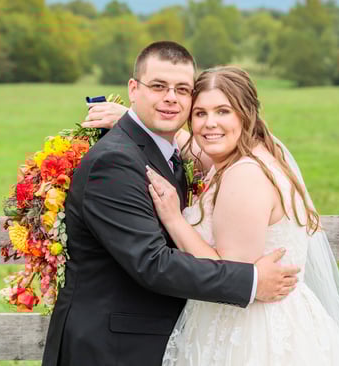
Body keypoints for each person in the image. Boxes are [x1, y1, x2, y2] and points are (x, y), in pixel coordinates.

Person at [42, 42, 299, 366]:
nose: (171, 98)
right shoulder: (115, 162)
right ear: (133, 89)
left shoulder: (170, 154)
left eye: (182, 89)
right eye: (159, 86)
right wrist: (251, 281)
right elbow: (152, 262)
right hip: (111, 350)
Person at [141, 66, 339, 365]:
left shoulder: (245, 174)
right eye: (200, 113)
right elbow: (193, 144)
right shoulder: (253, 152)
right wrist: (128, 117)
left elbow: (229, 272)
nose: (210, 124)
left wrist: (174, 219)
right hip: (255, 319)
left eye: (223, 111)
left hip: (250, 332)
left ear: (246, 114)